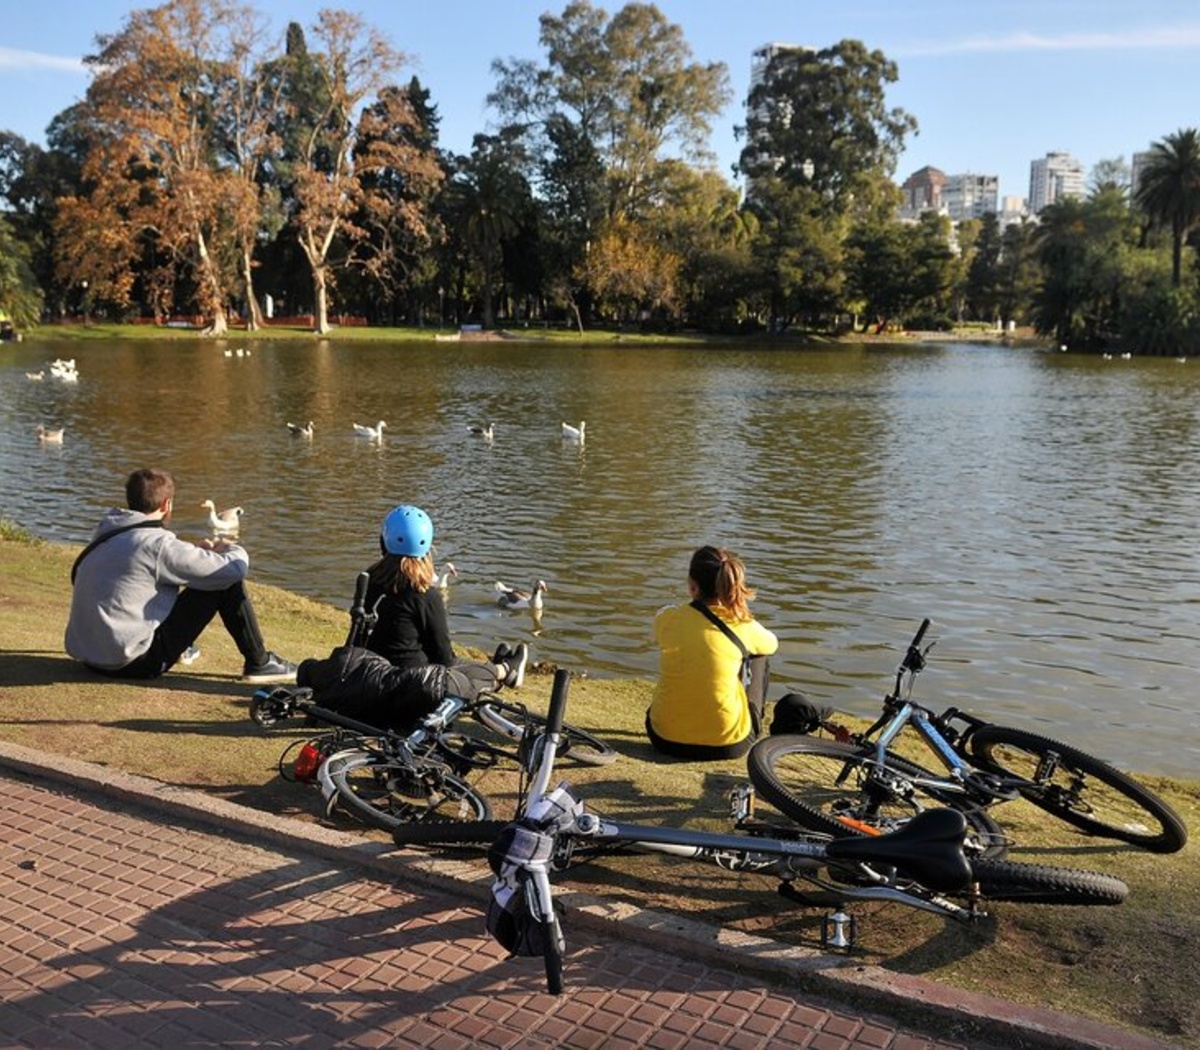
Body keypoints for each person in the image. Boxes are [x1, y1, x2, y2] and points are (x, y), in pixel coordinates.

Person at [297, 504, 527, 728]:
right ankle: (503, 671)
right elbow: (444, 658)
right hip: (410, 689)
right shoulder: (426, 595)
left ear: (383, 542)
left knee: (456, 667)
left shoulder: (367, 579)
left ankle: (503, 668)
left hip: (363, 675)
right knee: (460, 675)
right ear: (427, 549)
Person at [65, 467, 296, 683]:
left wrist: (197, 553)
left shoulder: (107, 532)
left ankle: (184, 649)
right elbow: (234, 568)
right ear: (166, 504)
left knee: (182, 576)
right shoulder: (158, 544)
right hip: (132, 663)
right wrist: (226, 547)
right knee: (225, 580)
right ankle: (260, 662)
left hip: (89, 658)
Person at [646, 545, 779, 760]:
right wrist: (740, 611)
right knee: (759, 654)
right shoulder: (743, 625)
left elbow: (661, 614)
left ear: (692, 586)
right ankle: (753, 720)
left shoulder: (670, 619)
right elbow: (773, 643)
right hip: (727, 745)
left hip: (663, 739)